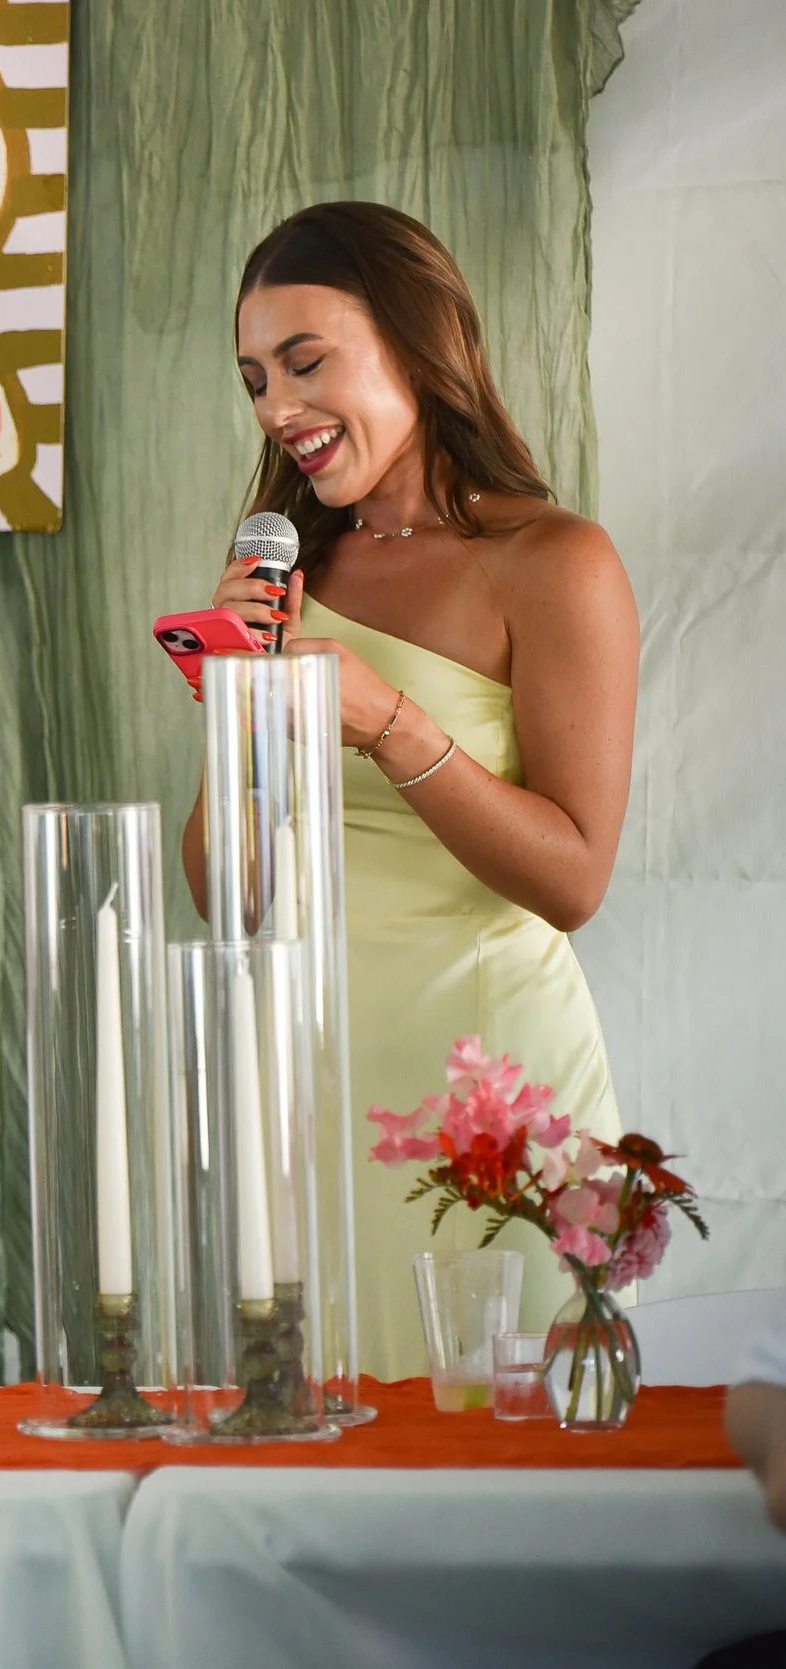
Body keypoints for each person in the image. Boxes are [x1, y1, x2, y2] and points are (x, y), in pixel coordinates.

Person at [183, 202, 638, 1379]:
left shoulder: (552, 562)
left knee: (498, 1448)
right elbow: (219, 892)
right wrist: (238, 701)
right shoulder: (286, 572)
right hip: (306, 1073)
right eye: (253, 378)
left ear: (418, 343)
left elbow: (573, 877)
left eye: (305, 360)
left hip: (486, 1076)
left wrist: (386, 721)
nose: (276, 408)